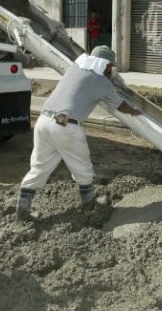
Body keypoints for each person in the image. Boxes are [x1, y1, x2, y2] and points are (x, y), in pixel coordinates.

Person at [15, 45, 141, 220]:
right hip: (66, 126)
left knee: (40, 166)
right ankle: (89, 203)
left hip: (43, 122)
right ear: (105, 64)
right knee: (82, 166)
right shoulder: (102, 82)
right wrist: (136, 112)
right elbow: (120, 105)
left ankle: (23, 208)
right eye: (110, 66)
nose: (110, 69)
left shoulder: (75, 69)